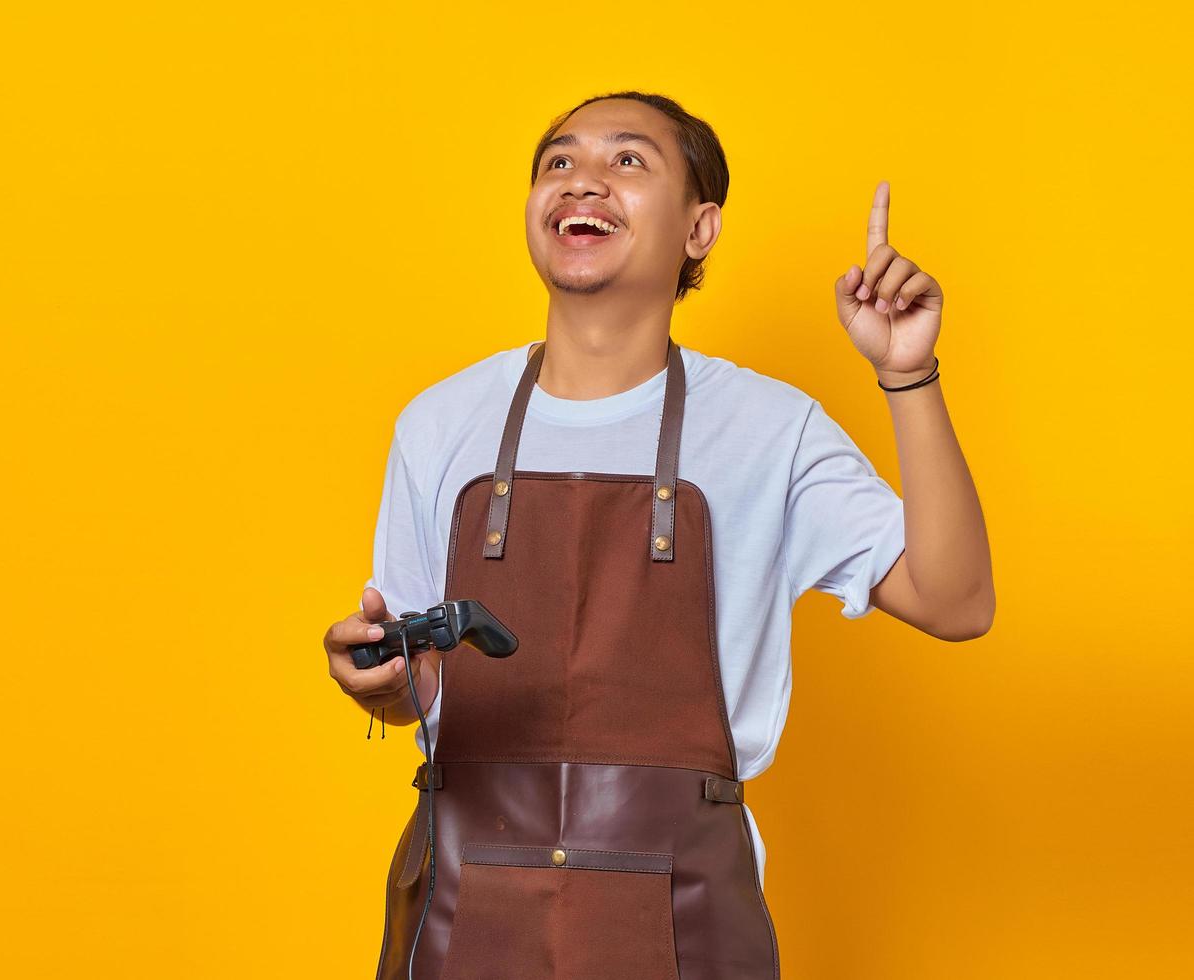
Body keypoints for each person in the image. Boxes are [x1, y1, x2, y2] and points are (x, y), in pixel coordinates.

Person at [322, 90, 994, 980]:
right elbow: (419, 691)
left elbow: (957, 602)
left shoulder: (772, 428)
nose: (582, 182)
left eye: (627, 161)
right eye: (558, 162)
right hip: (466, 913)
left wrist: (908, 378)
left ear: (700, 229)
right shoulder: (439, 423)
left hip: (686, 925)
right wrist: (382, 679)